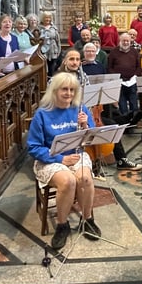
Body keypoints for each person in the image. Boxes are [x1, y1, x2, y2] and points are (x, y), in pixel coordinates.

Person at [27, 72, 100, 250]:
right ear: (55, 90)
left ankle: (87, 218)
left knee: (85, 179)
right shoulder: (42, 114)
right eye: (64, 89)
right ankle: (62, 225)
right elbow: (34, 147)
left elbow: (91, 139)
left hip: (76, 154)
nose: (69, 93)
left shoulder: (80, 109)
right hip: (49, 159)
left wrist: (85, 126)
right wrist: (61, 159)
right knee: (67, 181)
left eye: (72, 90)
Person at [60, 49, 142, 171]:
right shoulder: (58, 78)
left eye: (77, 59)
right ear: (65, 61)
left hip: (86, 114)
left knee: (112, 125)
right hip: (67, 117)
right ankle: (84, 162)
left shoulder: (83, 76)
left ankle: (121, 160)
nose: (75, 62)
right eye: (71, 59)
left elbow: (88, 98)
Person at [108, 33, 142, 116]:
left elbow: (138, 66)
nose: (126, 43)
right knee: (122, 104)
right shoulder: (113, 52)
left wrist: (135, 76)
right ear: (120, 41)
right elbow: (109, 67)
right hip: (119, 82)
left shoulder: (134, 52)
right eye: (124, 41)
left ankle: (134, 120)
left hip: (132, 81)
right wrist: (117, 77)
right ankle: (125, 121)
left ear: (130, 42)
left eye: (127, 41)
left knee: (133, 103)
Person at [39, 10, 62, 76]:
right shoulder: (39, 28)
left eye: (49, 17)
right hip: (43, 51)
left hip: (53, 51)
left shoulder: (54, 28)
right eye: (46, 17)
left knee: (52, 69)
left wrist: (58, 51)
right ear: (43, 18)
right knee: (43, 69)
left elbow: (58, 41)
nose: (47, 19)